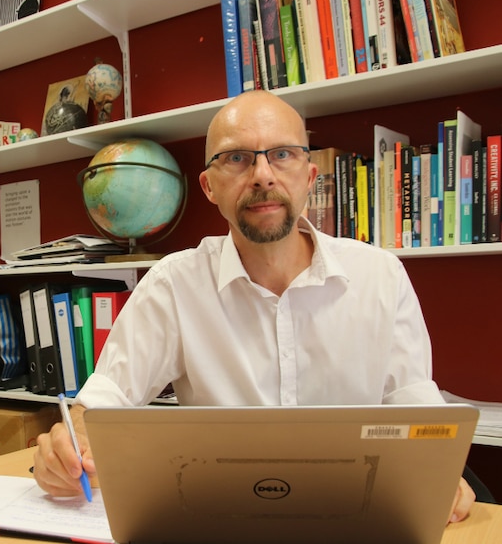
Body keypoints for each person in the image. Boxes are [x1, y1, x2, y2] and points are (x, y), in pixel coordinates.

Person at [33, 90, 476, 523]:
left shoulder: (381, 276)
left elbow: (412, 404)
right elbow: (108, 397)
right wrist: (72, 442)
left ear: (310, 176)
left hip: (352, 517)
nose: (263, 174)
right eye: (237, 158)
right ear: (209, 187)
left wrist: (439, 466)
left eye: (282, 154)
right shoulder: (173, 283)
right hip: (221, 520)